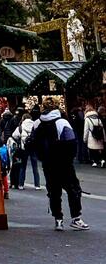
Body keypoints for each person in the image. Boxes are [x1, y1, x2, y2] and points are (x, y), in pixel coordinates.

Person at [34, 97, 88, 230]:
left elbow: (34, 142)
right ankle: (76, 218)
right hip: (64, 163)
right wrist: (70, 158)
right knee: (73, 189)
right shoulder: (62, 122)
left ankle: (58, 219)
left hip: (47, 163)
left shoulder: (37, 123)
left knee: (54, 191)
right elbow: (71, 142)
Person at [13, 106, 42, 190]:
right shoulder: (35, 125)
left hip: (24, 148)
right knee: (35, 167)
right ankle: (37, 185)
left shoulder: (20, 127)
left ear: (23, 118)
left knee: (23, 166)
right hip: (33, 147)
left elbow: (14, 135)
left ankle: (21, 185)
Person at [83, 104, 105, 168]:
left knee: (92, 150)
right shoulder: (98, 118)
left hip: (91, 137)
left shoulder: (87, 119)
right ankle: (102, 160)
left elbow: (86, 130)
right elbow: (102, 128)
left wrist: (85, 139)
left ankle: (95, 162)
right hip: (99, 136)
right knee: (99, 150)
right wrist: (104, 138)